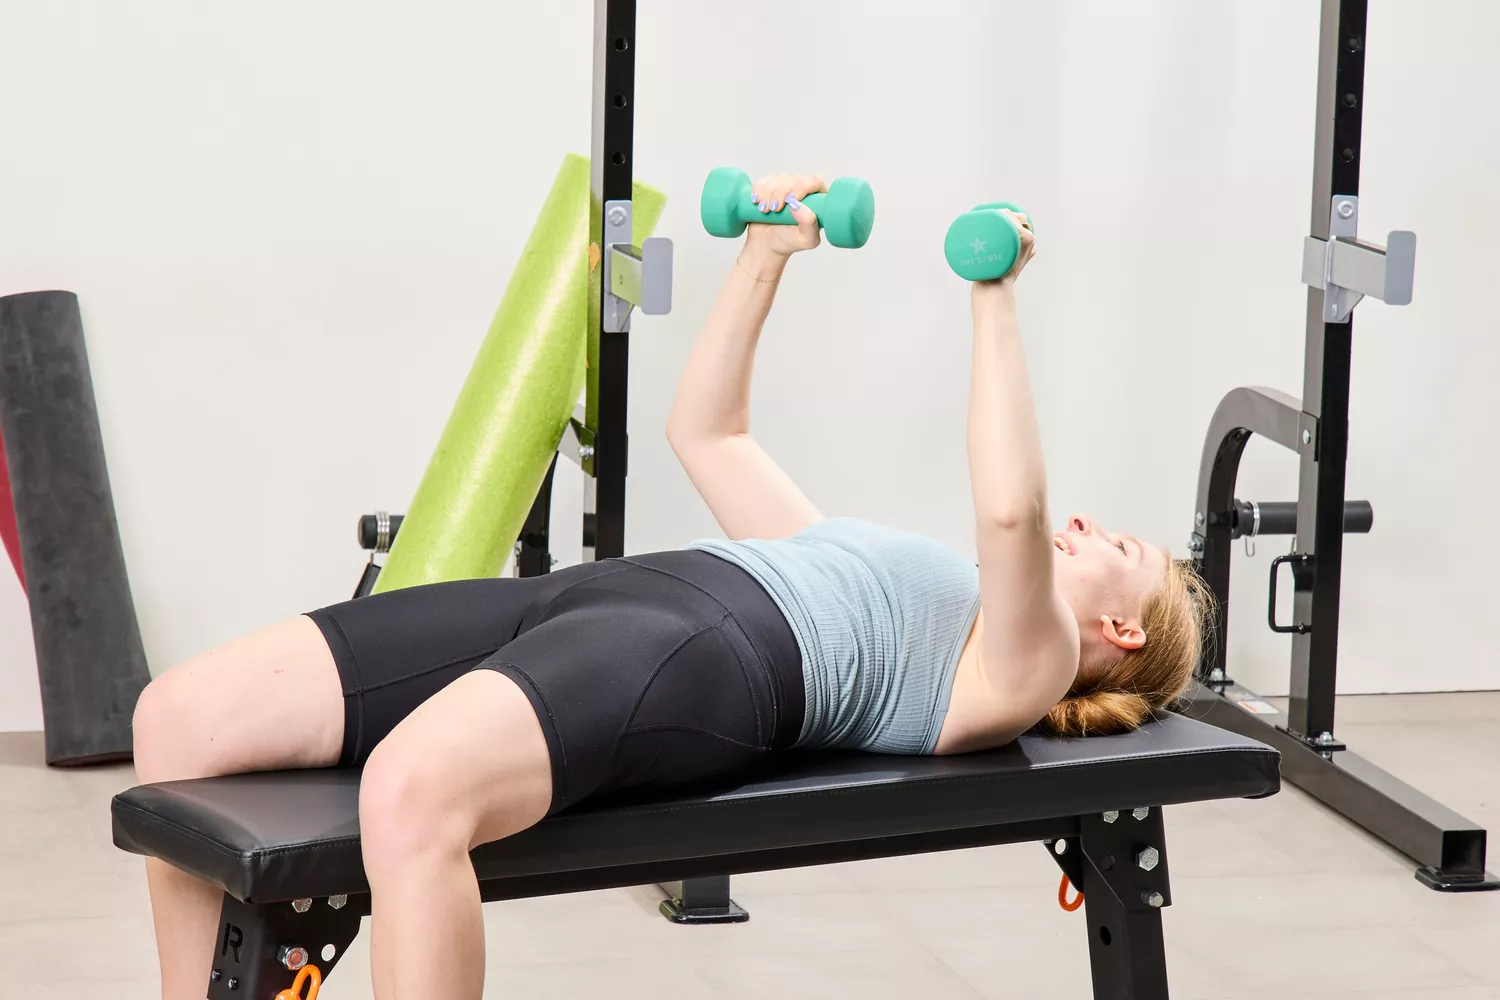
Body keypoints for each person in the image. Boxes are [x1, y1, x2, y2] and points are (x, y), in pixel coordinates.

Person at [131, 172, 1211, 1000]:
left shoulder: (1025, 663)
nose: (1083, 524)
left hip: (713, 656)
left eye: (1118, 541)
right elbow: (708, 430)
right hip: (623, 594)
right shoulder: (892, 571)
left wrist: (994, 296)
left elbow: (1014, 510)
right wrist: (767, 254)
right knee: (177, 717)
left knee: (412, 795)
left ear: (1119, 626)